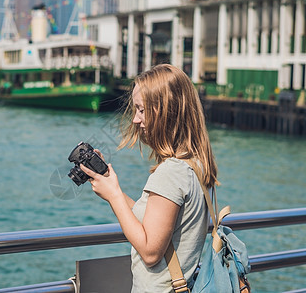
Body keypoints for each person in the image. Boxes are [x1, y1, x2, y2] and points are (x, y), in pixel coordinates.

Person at [80, 64, 219, 292]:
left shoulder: (171, 173)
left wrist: (114, 197)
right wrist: (111, 185)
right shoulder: (196, 165)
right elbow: (156, 224)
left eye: (141, 110)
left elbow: (151, 251)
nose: (135, 119)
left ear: (167, 111)